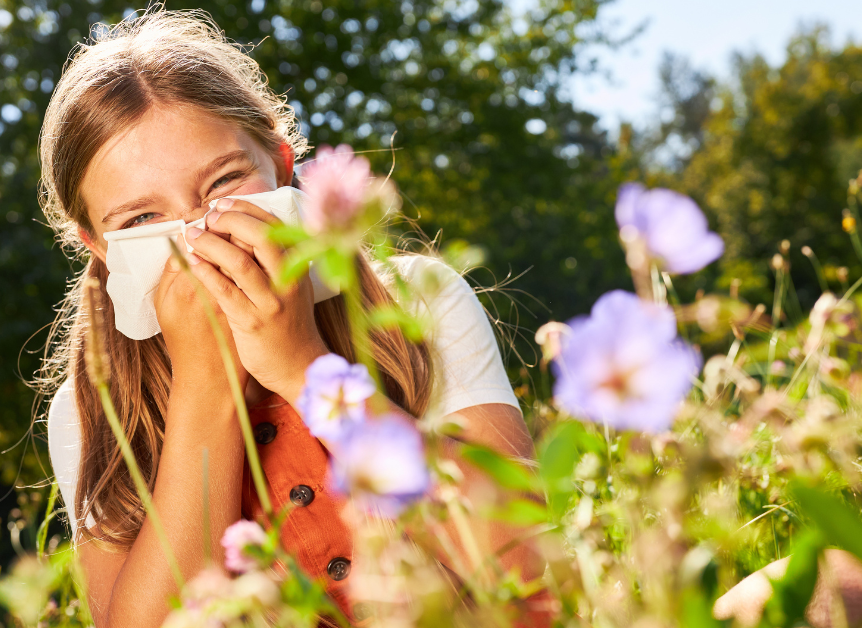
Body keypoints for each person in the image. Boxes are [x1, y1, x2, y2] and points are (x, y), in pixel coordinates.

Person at [36, 8, 543, 627]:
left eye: (223, 182)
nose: (195, 234)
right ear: (99, 247)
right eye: (142, 220)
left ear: (280, 164)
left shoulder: (415, 301)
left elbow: (524, 564)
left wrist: (303, 366)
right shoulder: (94, 407)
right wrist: (206, 388)